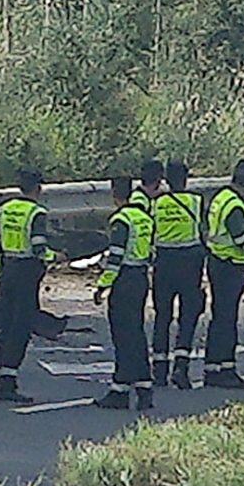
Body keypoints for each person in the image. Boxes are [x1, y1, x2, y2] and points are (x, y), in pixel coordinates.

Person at [93, 176, 156, 410]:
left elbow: (115, 258)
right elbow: (150, 252)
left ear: (114, 194)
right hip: (140, 278)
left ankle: (120, 389)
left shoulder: (121, 220)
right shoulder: (145, 218)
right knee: (136, 333)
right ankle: (144, 388)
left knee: (122, 335)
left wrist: (102, 285)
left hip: (125, 280)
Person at [0, 168, 54, 404]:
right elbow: (39, 248)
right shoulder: (37, 213)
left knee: (6, 325)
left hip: (7, 270)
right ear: (37, 189)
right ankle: (9, 380)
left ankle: (0, 378)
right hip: (26, 272)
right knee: (21, 327)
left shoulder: (4, 210)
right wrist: (54, 256)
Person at [202, 160, 244, 389]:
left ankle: (212, 368)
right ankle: (226, 370)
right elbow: (243, 241)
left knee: (219, 319)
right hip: (231, 266)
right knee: (227, 321)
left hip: (217, 262)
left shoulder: (221, 198)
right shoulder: (235, 207)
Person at [149, 160, 205, 391]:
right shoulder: (196, 201)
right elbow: (203, 230)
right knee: (187, 316)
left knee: (163, 316)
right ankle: (181, 369)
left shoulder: (157, 203)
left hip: (164, 261)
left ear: (165, 180)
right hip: (190, 261)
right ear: (186, 178)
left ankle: (159, 371)